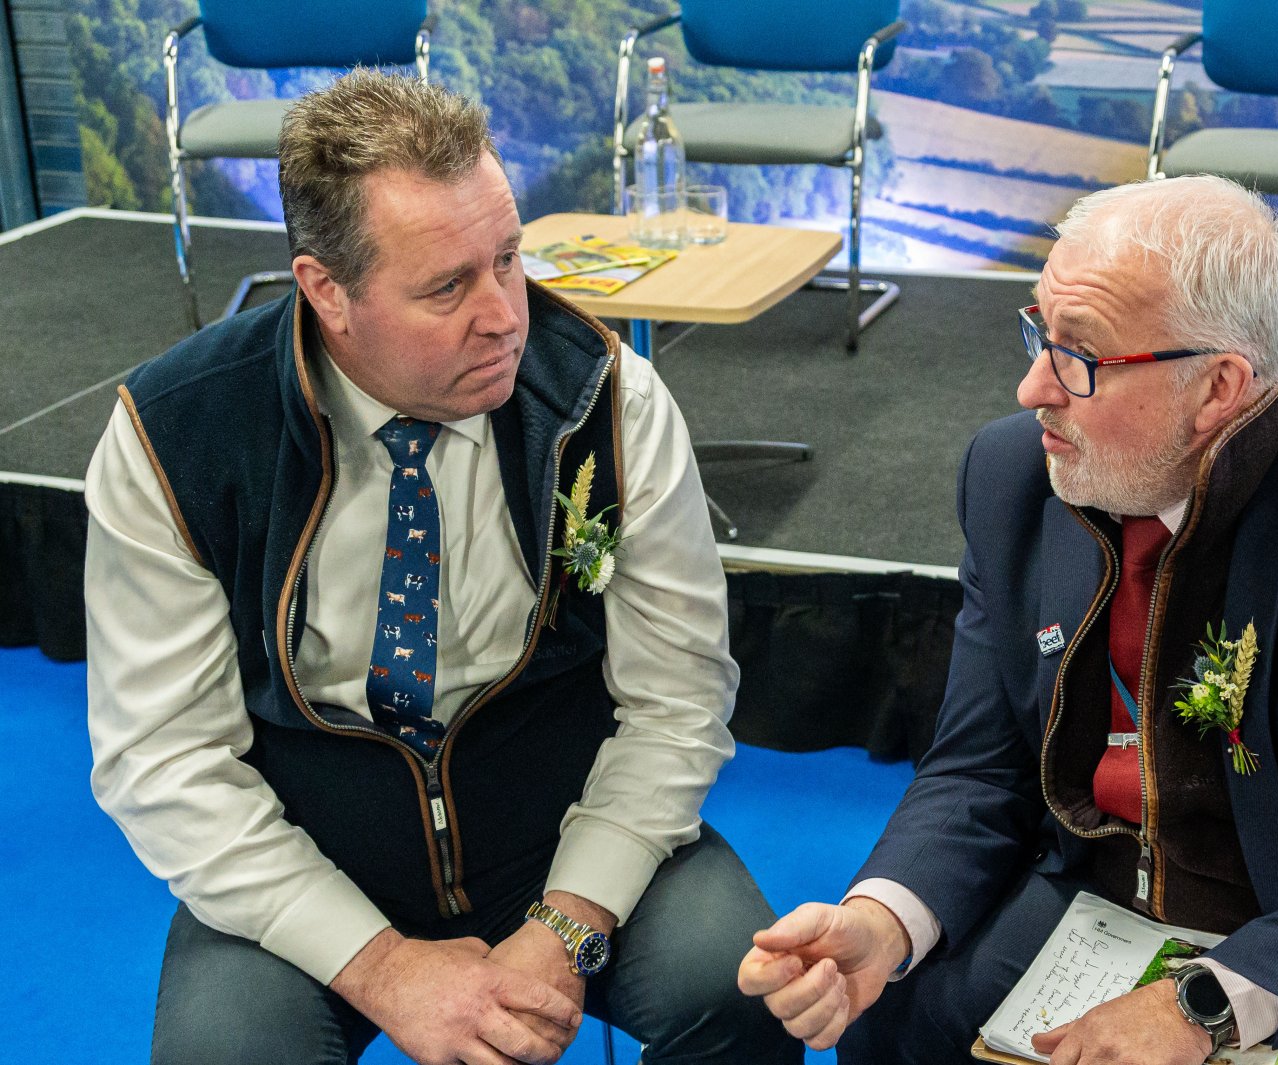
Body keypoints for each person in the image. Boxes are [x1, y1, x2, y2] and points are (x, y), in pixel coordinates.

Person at [738, 175, 1278, 1064]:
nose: (1033, 387)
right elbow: (979, 765)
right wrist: (883, 918)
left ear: (1218, 388)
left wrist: (1200, 1005)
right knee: (895, 1018)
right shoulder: (1013, 477)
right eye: (1040, 332)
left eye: (1081, 355)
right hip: (1107, 888)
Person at [87, 70, 794, 1065]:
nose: (505, 314)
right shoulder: (175, 435)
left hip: (559, 827)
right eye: (447, 288)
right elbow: (164, 760)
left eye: (507, 258)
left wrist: (567, 924)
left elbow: (676, 702)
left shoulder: (605, 400)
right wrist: (379, 965)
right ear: (327, 292)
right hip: (311, 847)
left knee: (741, 990)